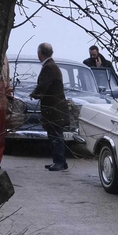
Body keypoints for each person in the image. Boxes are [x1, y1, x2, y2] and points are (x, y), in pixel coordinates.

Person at [32, 43, 69, 171]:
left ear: (40, 53)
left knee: (55, 135)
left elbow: (43, 85)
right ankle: (60, 161)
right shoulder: (52, 66)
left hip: (54, 108)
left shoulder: (49, 67)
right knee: (56, 134)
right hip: (56, 107)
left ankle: (59, 162)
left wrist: (34, 94)